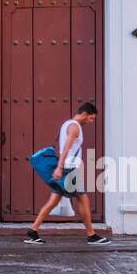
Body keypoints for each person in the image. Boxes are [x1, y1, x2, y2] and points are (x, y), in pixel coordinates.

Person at [25, 102, 109, 245]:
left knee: (53, 201)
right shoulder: (75, 127)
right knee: (83, 199)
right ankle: (91, 235)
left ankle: (33, 231)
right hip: (70, 169)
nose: (91, 121)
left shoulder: (67, 124)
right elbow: (66, 148)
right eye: (91, 118)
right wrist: (59, 167)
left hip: (66, 168)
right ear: (84, 114)